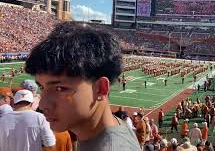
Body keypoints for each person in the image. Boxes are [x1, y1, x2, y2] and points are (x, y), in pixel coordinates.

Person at [25, 22, 140, 151]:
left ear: (101, 89)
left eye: (60, 88)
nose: (42, 105)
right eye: (42, 87)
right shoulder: (110, 128)